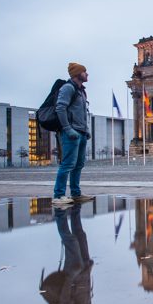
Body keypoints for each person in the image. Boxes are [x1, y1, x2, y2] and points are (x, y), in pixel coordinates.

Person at [40, 204, 94, 304]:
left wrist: (71, 276)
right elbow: (86, 289)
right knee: (81, 236)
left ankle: (60, 212)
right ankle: (76, 208)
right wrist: (89, 269)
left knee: (71, 241)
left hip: (75, 269)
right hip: (85, 267)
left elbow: (65, 299)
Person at [52, 62, 94, 206]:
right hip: (71, 133)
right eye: (84, 72)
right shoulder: (68, 88)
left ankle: (75, 193)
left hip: (81, 132)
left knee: (79, 164)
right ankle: (58, 196)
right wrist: (68, 128)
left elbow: (81, 112)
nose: (87, 74)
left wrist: (86, 129)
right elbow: (60, 108)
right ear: (77, 74)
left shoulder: (81, 90)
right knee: (67, 164)